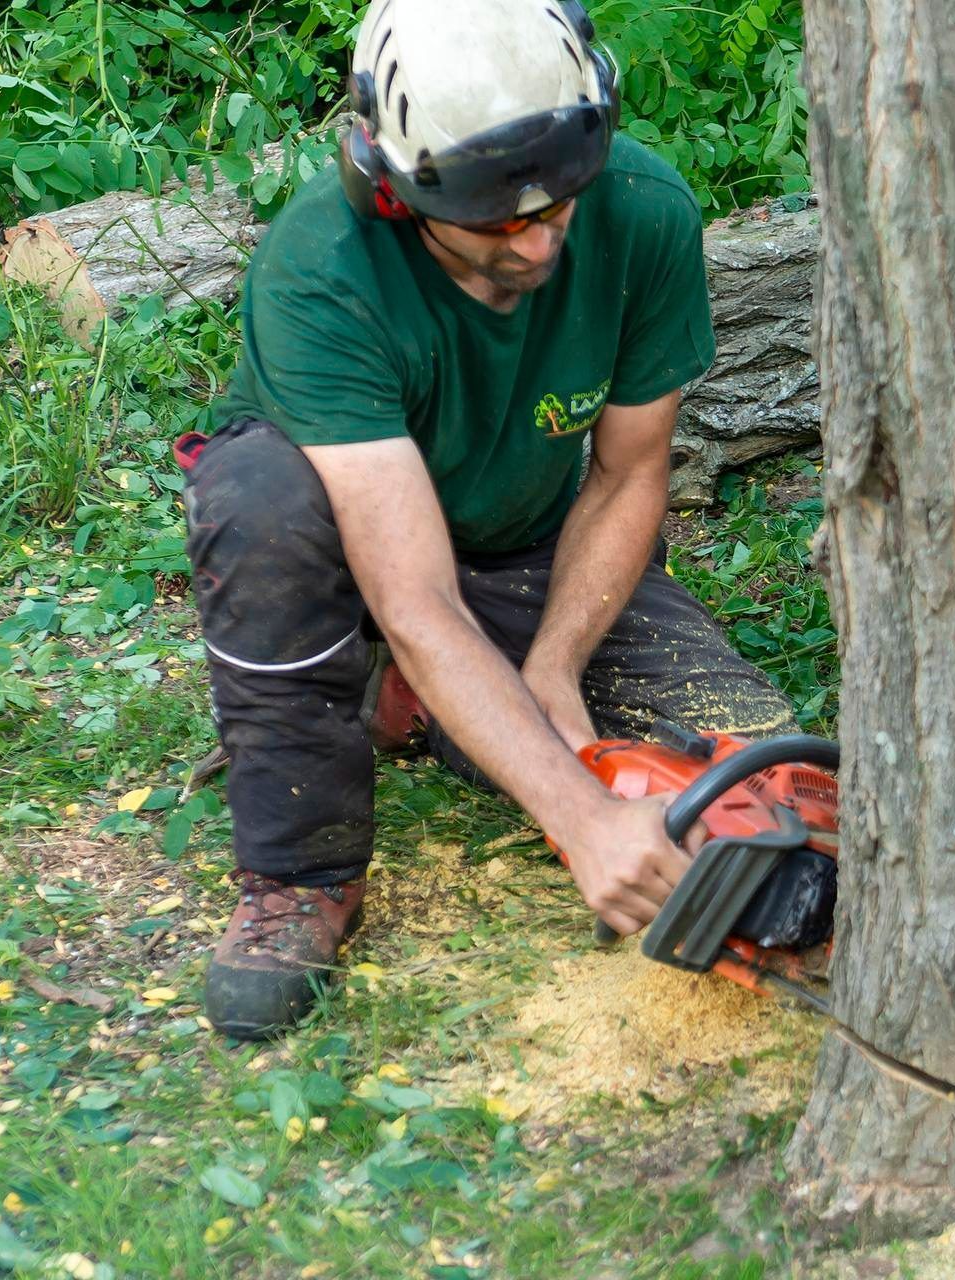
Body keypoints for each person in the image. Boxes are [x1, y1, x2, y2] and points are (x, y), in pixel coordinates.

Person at [179, 0, 794, 1039]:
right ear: (392, 187)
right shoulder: (321, 267)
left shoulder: (642, 213)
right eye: (498, 220)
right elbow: (413, 593)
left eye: (559, 205)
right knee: (258, 500)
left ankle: (419, 704)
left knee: (742, 760)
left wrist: (553, 664)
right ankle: (299, 870)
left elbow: (628, 474)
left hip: (525, 551)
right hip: (352, 549)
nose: (541, 237)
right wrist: (584, 818)